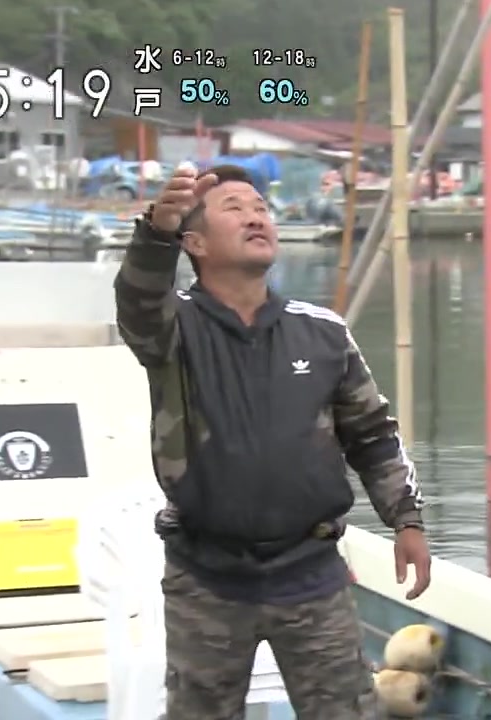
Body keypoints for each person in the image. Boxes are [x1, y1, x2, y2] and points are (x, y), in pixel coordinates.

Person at [113, 162, 431, 720]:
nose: (256, 216)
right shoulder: (171, 329)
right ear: (195, 243)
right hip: (206, 577)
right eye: (234, 209)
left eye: (261, 207)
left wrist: (406, 520)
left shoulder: (323, 332)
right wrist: (154, 232)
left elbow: (373, 433)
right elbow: (137, 299)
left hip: (310, 571)